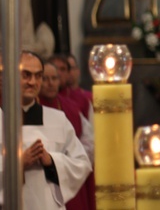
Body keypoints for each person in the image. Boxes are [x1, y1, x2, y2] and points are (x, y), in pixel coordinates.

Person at [0, 51, 91, 209]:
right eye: (26, 75)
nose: (33, 82)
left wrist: (51, 161)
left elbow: (82, 164)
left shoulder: (58, 119)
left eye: (38, 76)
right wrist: (16, 164)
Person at [39, 61, 95, 210]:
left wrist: (68, 164)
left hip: (69, 177)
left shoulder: (71, 107)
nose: (50, 83)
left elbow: (88, 142)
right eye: (45, 79)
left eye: (54, 78)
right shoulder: (29, 110)